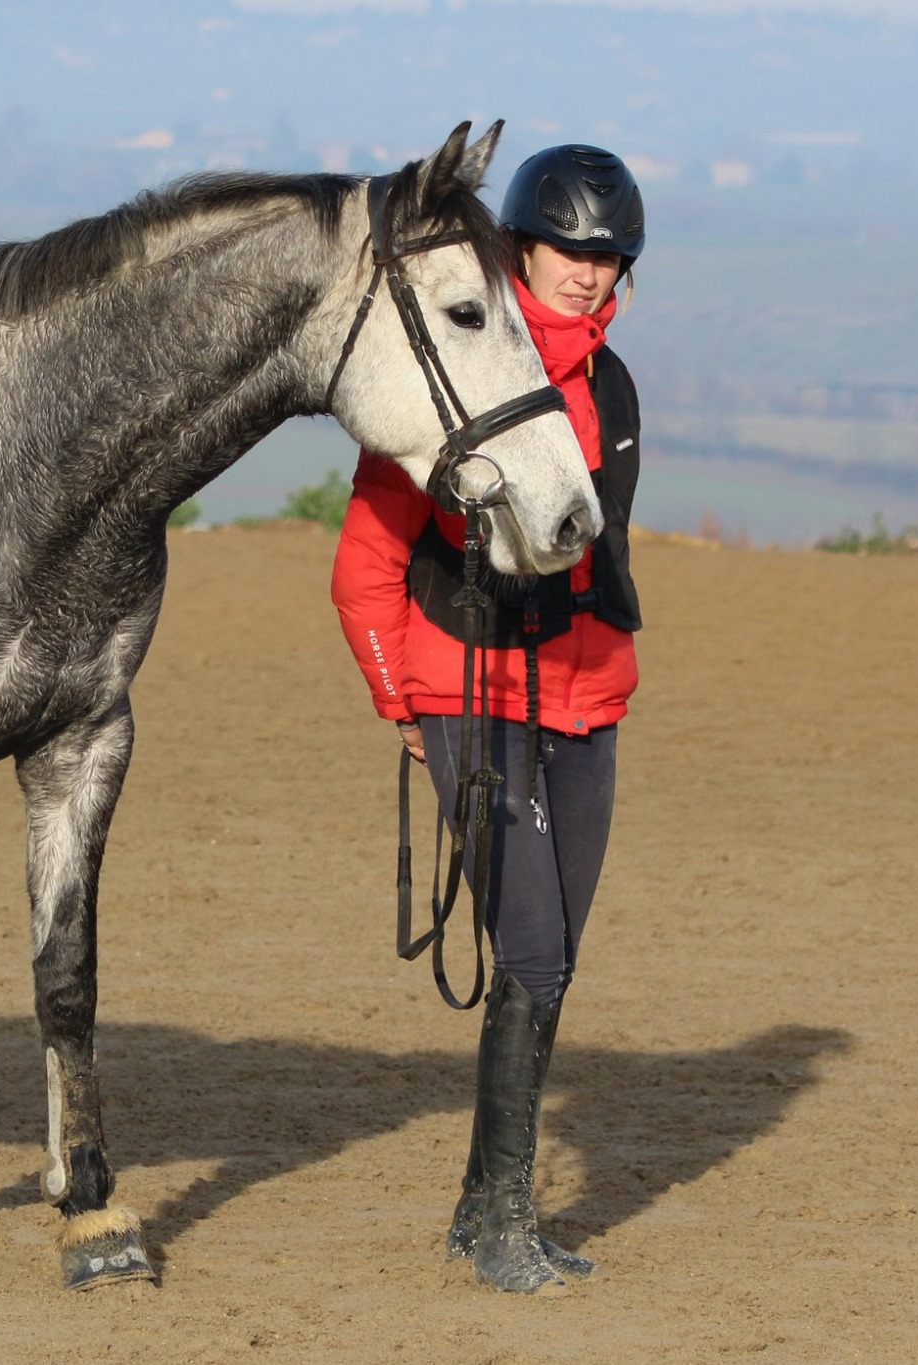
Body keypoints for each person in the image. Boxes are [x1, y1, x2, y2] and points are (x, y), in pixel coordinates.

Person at [329, 145, 646, 1294]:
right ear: (519, 247)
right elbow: (362, 568)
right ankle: (505, 1225)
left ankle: (482, 1207)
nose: (588, 270)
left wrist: (608, 678)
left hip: (587, 696)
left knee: (552, 964)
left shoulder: (611, 387)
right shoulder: (450, 377)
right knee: (530, 949)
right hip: (467, 688)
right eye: (569, 246)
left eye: (609, 255)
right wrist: (398, 698)